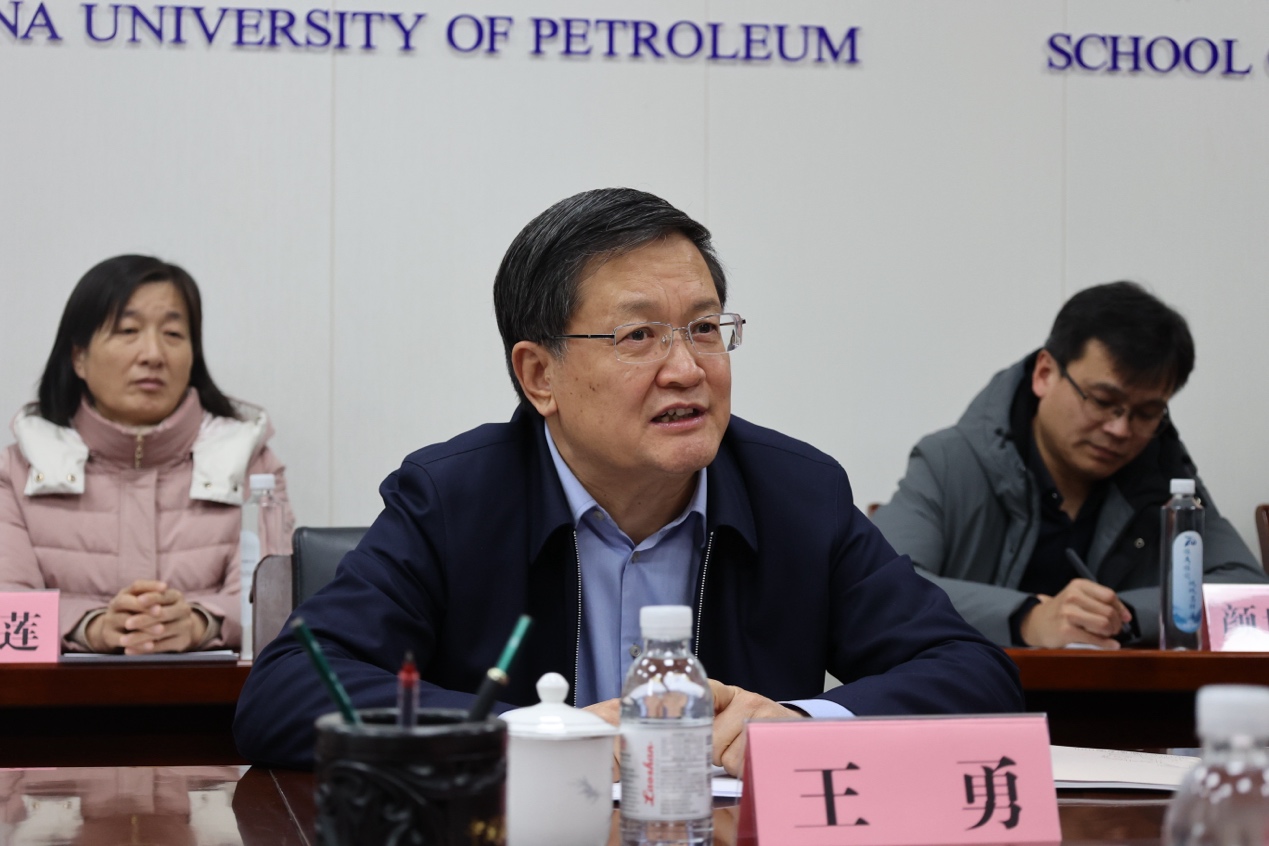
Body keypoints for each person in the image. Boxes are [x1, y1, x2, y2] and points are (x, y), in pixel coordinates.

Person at [233, 187, 1022, 772]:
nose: (686, 369)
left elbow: (972, 676)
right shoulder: (454, 499)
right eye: (639, 335)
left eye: (704, 328)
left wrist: (802, 724)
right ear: (538, 375)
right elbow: (289, 692)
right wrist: (537, 738)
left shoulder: (795, 494)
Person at [872, 281, 1267, 650]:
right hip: (973, 693)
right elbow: (881, 586)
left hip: (1119, 699)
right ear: (1045, 373)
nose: (1120, 429)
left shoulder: (1163, 473)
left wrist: (1123, 616)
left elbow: (1248, 594)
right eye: (1102, 401)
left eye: (1147, 413)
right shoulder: (950, 461)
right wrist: (1026, 618)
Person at [0, 255, 293, 653]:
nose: (153, 354)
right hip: (59, 694)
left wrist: (199, 622)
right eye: (128, 330)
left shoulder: (250, 463)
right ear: (79, 357)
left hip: (214, 693)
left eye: (173, 334)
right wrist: (91, 627)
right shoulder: (19, 468)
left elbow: (275, 603)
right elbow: (8, 604)